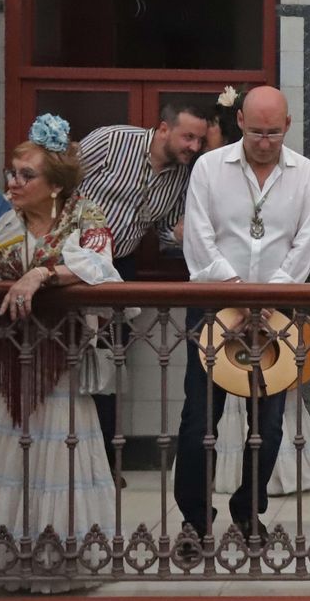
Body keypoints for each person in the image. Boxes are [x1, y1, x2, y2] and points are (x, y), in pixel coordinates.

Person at [0, 113, 121, 591]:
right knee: (5, 457)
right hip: (9, 361)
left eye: (25, 175)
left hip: (60, 366)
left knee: (58, 454)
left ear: (54, 186)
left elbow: (100, 266)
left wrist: (41, 274)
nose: (13, 183)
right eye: (11, 174)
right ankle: (2, 559)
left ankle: (57, 562)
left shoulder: (85, 216)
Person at [178, 86, 310, 545]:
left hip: (277, 309)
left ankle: (248, 510)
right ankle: (195, 520)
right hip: (214, 304)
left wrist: (266, 297)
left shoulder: (305, 174)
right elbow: (199, 237)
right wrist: (236, 292)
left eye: (274, 133)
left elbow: (306, 244)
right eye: (257, 131)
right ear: (239, 120)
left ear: (288, 126)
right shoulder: (209, 168)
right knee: (200, 419)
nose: (264, 142)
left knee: (270, 422)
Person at [74, 100, 209, 480]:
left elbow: (164, 231)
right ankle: (55, 460)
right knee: (60, 357)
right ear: (163, 128)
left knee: (108, 362)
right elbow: (57, 180)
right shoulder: (111, 141)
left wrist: (179, 235)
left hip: (119, 269)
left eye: (199, 140)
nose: (194, 147)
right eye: (188, 137)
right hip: (68, 262)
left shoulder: (182, 177)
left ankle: (101, 465)